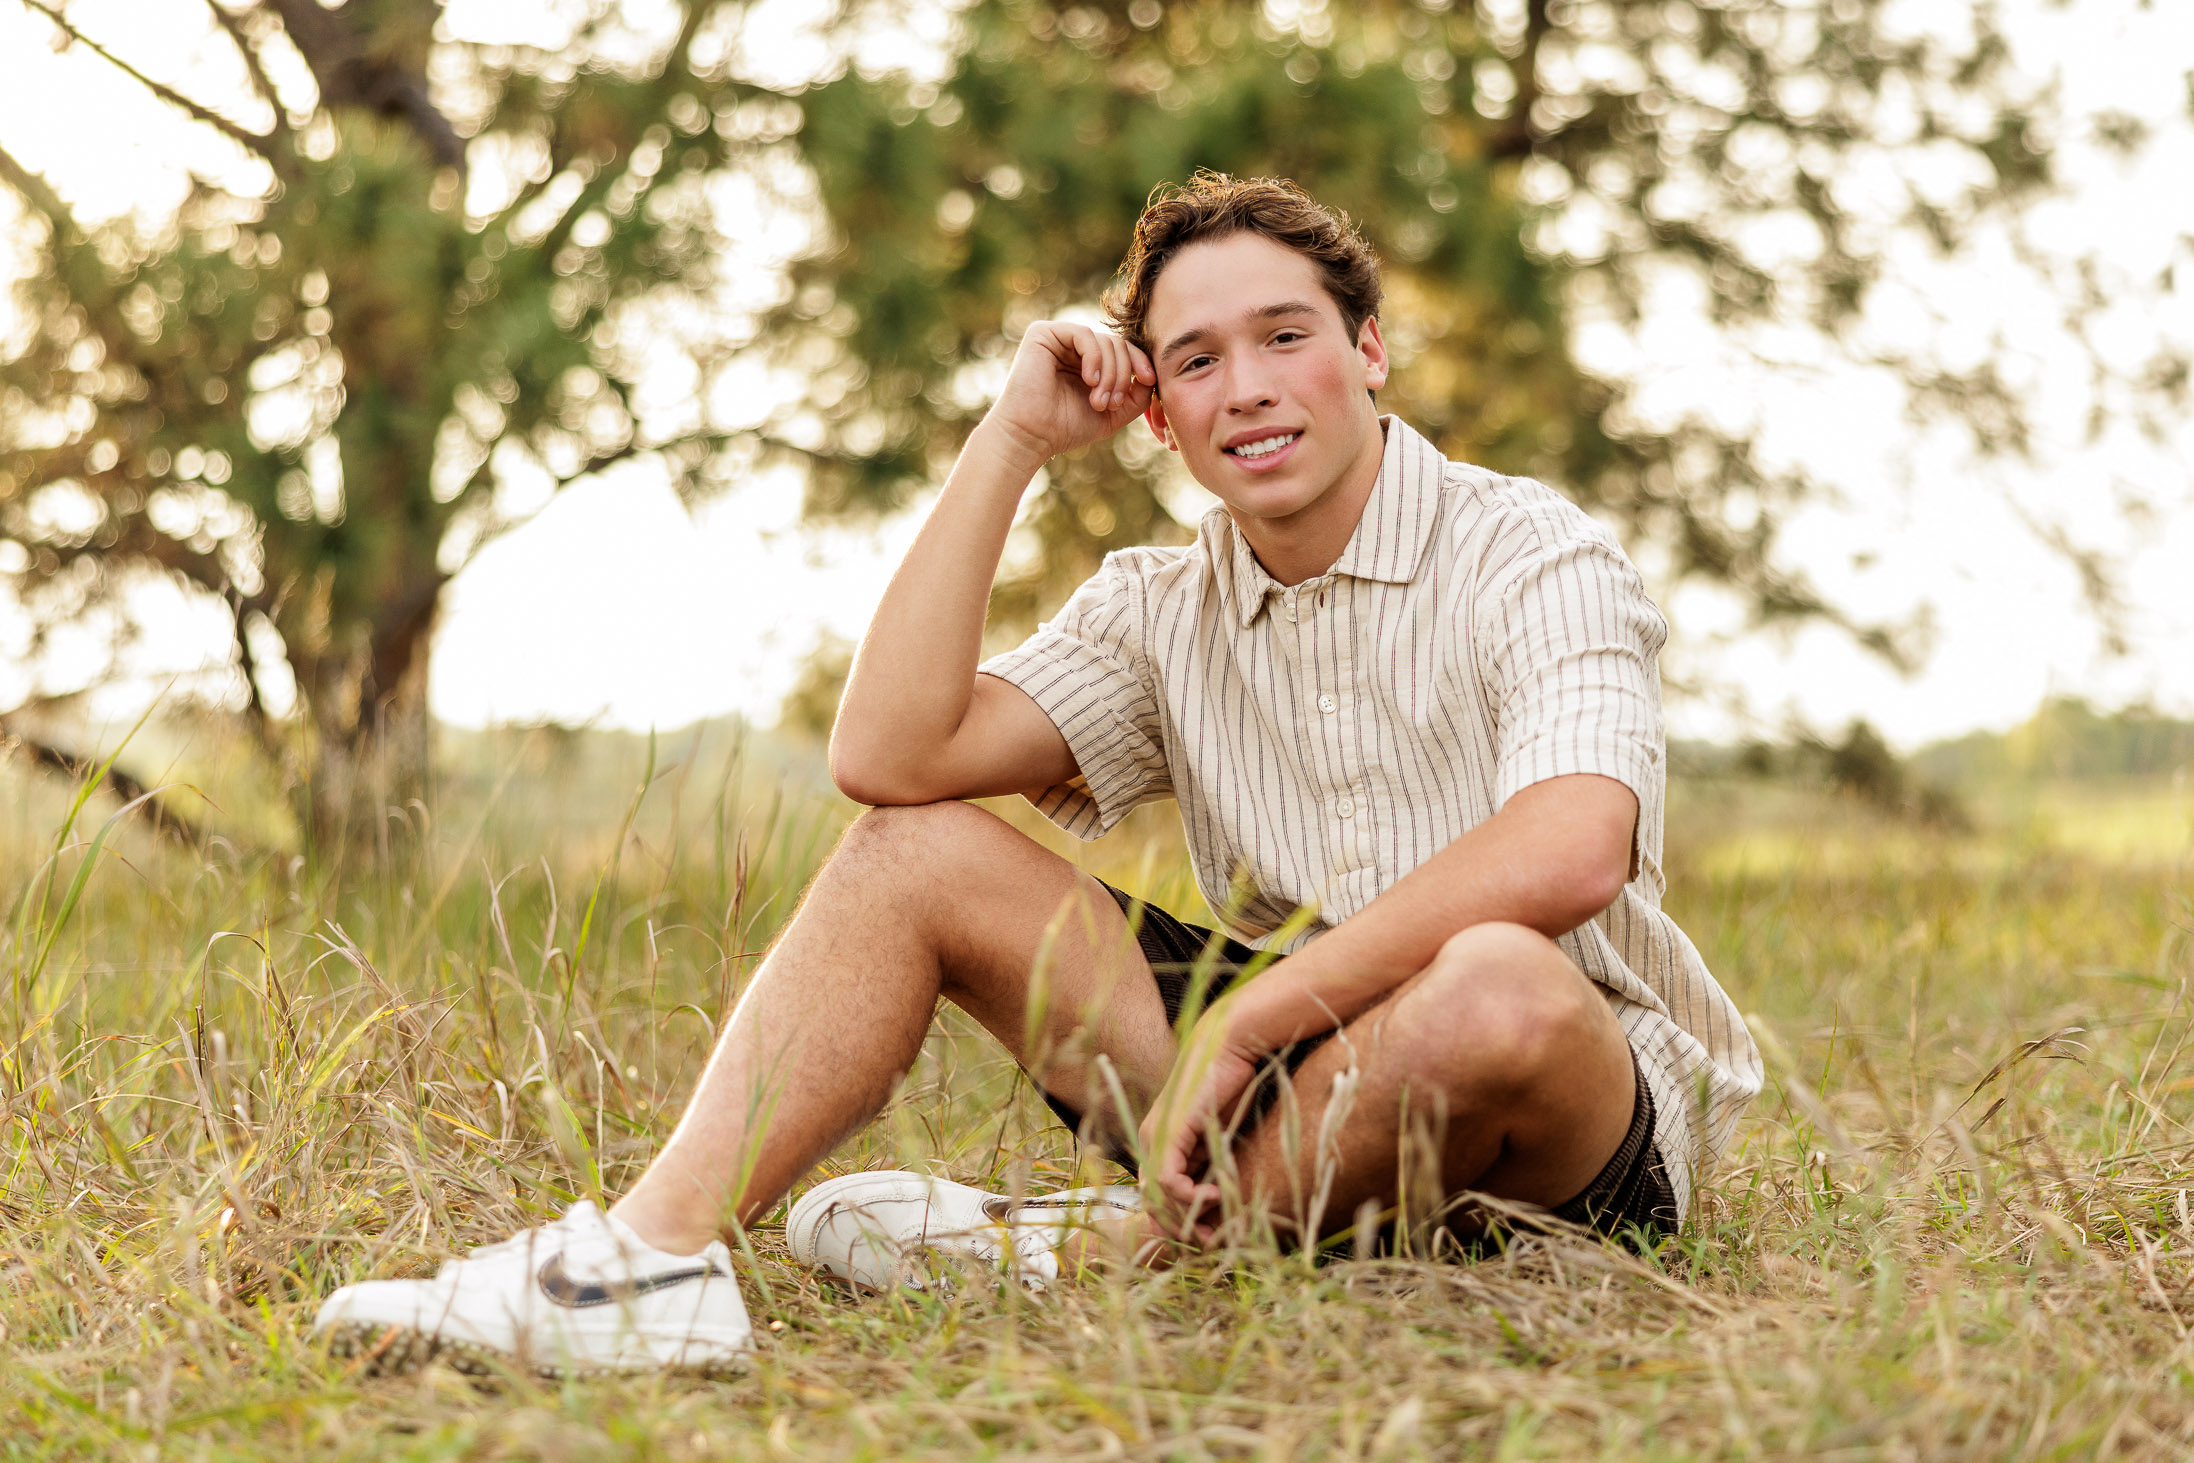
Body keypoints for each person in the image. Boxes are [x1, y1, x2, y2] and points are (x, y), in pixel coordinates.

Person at [314, 172, 1762, 1377]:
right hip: (1284, 1099)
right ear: (1157, 416)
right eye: (1194, 361)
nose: (1245, 389)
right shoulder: (1157, 607)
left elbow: (1572, 845)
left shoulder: (1532, 552)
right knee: (913, 853)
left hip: (1554, 1120)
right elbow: (888, 758)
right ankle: (642, 1266)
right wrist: (1010, 442)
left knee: (1491, 978)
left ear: (1367, 350)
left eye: (1283, 337)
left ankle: (1095, 1250)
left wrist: (1259, 1012)